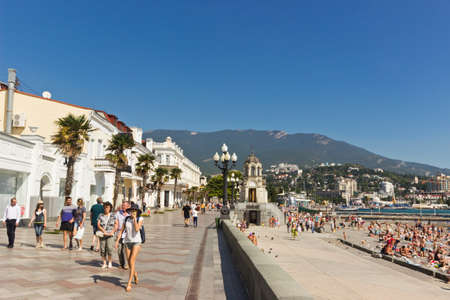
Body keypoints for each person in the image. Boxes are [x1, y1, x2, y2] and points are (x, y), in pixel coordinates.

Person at [115, 203, 144, 292]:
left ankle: (129, 283)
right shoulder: (126, 219)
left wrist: (135, 219)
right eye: (132, 210)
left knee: (131, 261)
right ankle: (134, 274)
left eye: (135, 210)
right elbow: (121, 231)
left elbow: (136, 229)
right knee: (129, 262)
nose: (133, 212)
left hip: (136, 242)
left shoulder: (140, 219)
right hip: (127, 242)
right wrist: (117, 241)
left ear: (137, 212)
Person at [97, 201, 118, 269]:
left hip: (110, 234)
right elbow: (98, 225)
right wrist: (103, 231)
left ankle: (110, 262)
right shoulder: (101, 215)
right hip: (103, 234)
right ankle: (104, 263)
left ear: (110, 208)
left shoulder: (113, 215)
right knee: (103, 249)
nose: (106, 208)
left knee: (109, 248)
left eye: (107, 207)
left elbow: (116, 224)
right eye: (105, 207)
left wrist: (112, 232)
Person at [115, 201, 130, 270]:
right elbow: (116, 223)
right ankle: (121, 263)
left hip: (127, 234)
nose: (123, 207)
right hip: (119, 233)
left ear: (128, 206)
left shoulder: (130, 214)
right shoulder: (118, 213)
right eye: (123, 205)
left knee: (127, 250)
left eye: (125, 206)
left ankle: (127, 264)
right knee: (119, 250)